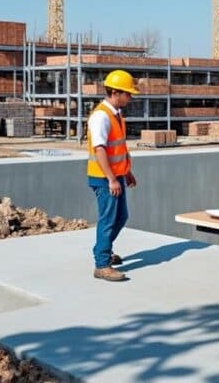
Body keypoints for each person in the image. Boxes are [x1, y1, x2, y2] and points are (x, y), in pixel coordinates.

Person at [86, 70, 140, 282]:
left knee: (121, 216)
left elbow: (117, 149)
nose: (130, 97)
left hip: (116, 176)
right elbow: (100, 150)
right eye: (128, 93)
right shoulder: (101, 116)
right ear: (115, 92)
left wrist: (126, 172)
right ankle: (102, 264)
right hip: (104, 178)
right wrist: (111, 178)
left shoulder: (116, 115)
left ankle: (103, 248)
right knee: (108, 220)